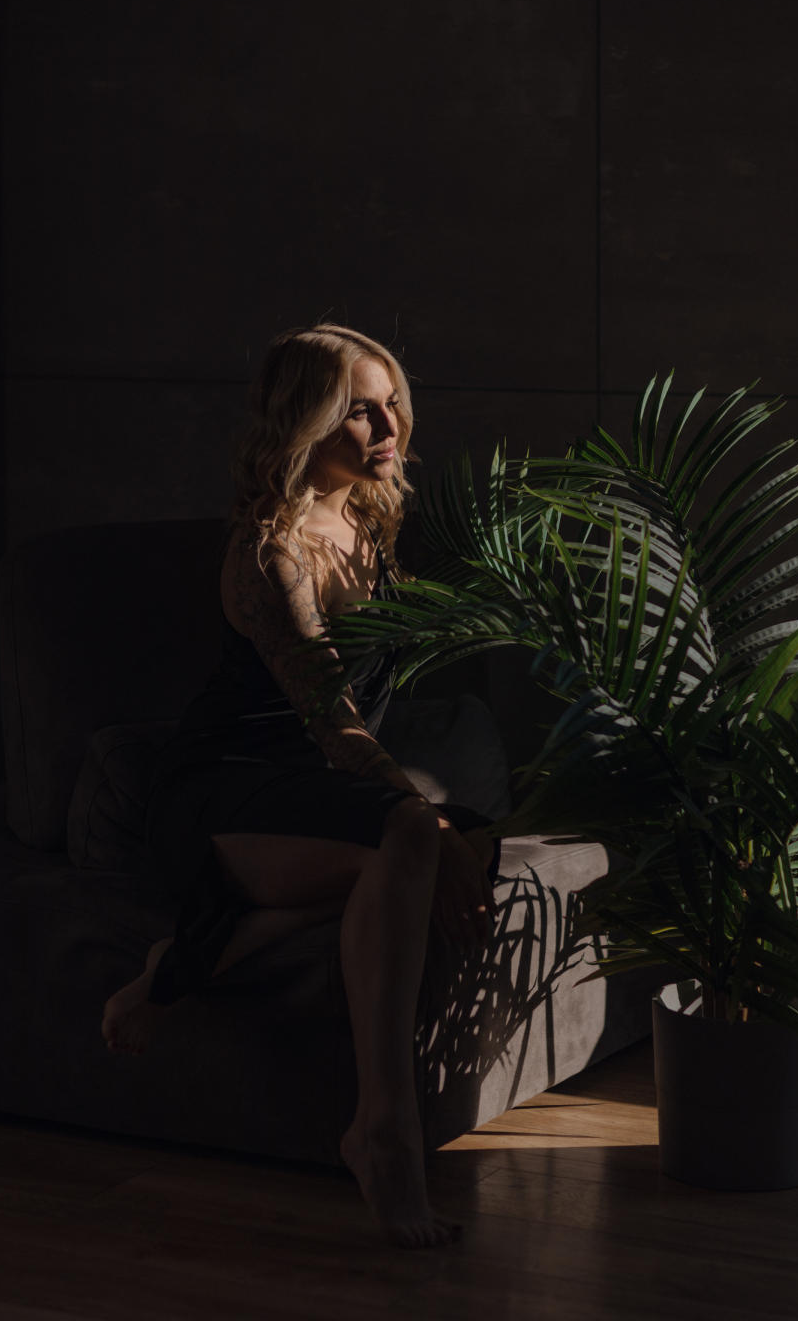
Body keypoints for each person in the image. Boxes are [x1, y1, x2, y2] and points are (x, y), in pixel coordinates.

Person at [101, 322, 500, 1248]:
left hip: (317, 792)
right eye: (360, 410)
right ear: (305, 421)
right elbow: (334, 723)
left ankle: (184, 961)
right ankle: (385, 1131)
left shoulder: (371, 521)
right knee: (415, 838)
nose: (388, 426)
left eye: (392, 402)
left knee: (460, 840)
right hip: (225, 795)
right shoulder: (269, 552)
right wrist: (422, 823)